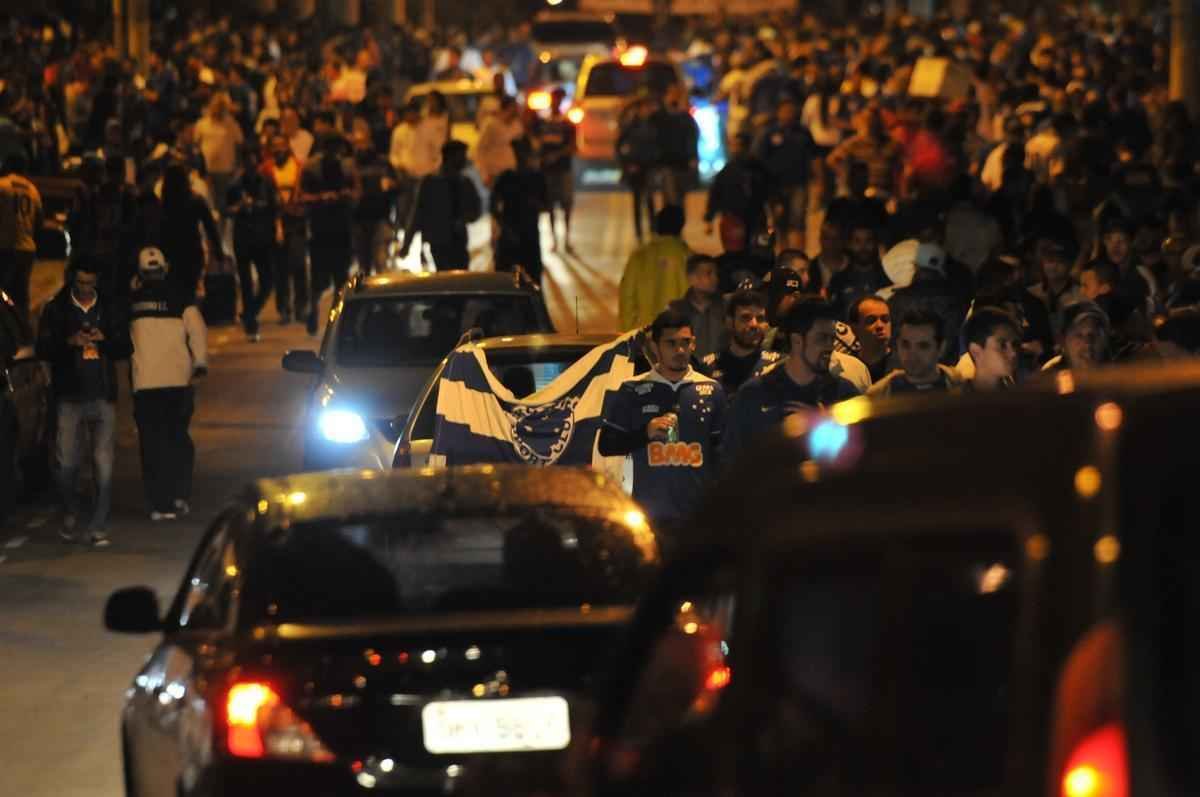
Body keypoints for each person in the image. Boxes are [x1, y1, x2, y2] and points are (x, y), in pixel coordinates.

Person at [598, 310, 725, 535]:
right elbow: (606, 445)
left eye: (685, 342)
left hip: (698, 518)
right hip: (648, 518)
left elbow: (723, 454)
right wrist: (644, 433)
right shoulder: (632, 389)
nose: (680, 350)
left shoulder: (712, 390)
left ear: (694, 344)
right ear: (655, 347)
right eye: (671, 343)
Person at [36, 259, 130, 546]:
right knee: (66, 462)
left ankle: (99, 524)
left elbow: (125, 347)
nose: (86, 288)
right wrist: (69, 342)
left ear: (97, 281)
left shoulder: (109, 307)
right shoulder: (56, 309)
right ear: (72, 281)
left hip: (102, 395)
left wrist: (105, 339)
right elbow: (44, 348)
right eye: (80, 283)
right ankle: (71, 509)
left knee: (103, 462)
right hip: (70, 396)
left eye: (90, 283)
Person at [724, 298, 860, 460]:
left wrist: (826, 426)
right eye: (822, 339)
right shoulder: (753, 395)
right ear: (797, 340)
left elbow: (861, 459)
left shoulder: (845, 394)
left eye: (832, 339)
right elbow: (732, 462)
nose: (829, 347)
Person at [128, 247, 207, 521]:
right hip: (178, 382)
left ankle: (158, 503)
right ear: (165, 269)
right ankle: (179, 495)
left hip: (145, 384)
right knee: (178, 439)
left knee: (151, 444)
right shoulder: (181, 297)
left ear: (140, 273)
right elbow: (197, 330)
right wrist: (200, 362)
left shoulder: (132, 302)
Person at [155, 161, 229, 306]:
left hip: (170, 253)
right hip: (192, 252)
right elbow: (210, 227)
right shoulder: (195, 200)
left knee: (174, 291)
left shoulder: (163, 203)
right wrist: (218, 252)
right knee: (189, 291)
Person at [225, 146, 278, 341]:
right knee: (246, 284)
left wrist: (259, 207)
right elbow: (227, 210)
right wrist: (240, 207)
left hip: (262, 238)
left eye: (253, 163)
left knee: (267, 281)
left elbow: (273, 207)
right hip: (243, 239)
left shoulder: (265, 182)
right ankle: (251, 325)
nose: (250, 167)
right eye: (247, 163)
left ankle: (250, 313)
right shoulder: (235, 185)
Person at [301, 146, 356, 335]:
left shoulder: (344, 170)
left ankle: (331, 319)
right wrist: (322, 198)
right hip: (326, 231)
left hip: (334, 231)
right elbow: (303, 196)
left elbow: (356, 193)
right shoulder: (313, 171)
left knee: (335, 279)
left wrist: (343, 196)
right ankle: (321, 314)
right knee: (327, 279)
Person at [410, 140, 483, 270]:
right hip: (440, 242)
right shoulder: (431, 182)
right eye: (461, 156)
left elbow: (475, 210)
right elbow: (418, 214)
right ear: (449, 157)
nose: (464, 160)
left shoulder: (464, 183)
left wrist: (464, 218)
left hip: (457, 241)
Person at [619, 205, 690, 331]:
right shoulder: (688, 257)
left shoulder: (639, 257)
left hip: (645, 332)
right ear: (681, 226)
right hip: (678, 334)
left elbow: (627, 296)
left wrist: (626, 330)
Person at [264, 134, 308, 325]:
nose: (279, 150)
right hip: (275, 222)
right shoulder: (266, 169)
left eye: (282, 145)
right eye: (275, 146)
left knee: (298, 264)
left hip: (296, 220)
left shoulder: (298, 166)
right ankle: (283, 309)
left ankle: (301, 307)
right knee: (280, 268)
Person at [490, 138, 547, 283]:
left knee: (514, 278)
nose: (519, 155)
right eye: (517, 152)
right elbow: (493, 206)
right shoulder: (508, 177)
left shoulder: (534, 177)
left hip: (524, 234)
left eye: (521, 151)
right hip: (516, 234)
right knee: (507, 279)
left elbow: (546, 204)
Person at [867, 309, 961, 396]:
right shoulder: (877, 395)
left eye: (923, 346)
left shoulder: (962, 389)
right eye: (905, 345)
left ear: (941, 348)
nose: (912, 354)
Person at [704, 131, 770, 249]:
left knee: (760, 250)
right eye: (734, 145)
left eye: (740, 145)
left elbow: (768, 190)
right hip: (733, 218)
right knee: (735, 250)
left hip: (756, 217)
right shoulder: (728, 171)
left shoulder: (758, 168)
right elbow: (716, 194)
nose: (736, 149)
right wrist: (709, 218)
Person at [349, 119, 398, 276]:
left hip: (380, 218)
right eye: (357, 143)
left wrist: (390, 185)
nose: (361, 147)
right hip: (358, 219)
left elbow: (397, 186)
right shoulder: (350, 164)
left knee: (380, 263)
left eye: (363, 142)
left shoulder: (382, 163)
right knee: (363, 267)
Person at [0, 153, 43, 326]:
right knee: (22, 295)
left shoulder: (2, 185)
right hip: (27, 248)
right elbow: (39, 221)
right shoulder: (32, 190)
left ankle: (6, 331)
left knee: (3, 293)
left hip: (5, 246)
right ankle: (24, 330)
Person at [701, 289, 769, 396]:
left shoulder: (778, 367)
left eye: (760, 319)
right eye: (746, 318)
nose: (754, 324)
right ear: (729, 322)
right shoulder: (707, 367)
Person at [193, 92, 243, 225]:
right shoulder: (202, 124)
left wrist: (237, 166)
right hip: (206, 173)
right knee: (208, 205)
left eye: (222, 107)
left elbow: (239, 144)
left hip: (225, 171)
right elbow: (195, 147)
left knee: (223, 206)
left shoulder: (231, 124)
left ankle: (222, 233)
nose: (219, 109)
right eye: (217, 106)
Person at [826, 216, 891, 316]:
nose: (863, 247)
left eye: (868, 241)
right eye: (857, 241)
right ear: (849, 244)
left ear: (875, 243)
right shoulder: (839, 281)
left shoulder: (888, 278)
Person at [617, 96, 660, 242]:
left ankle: (652, 229)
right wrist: (627, 163)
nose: (645, 111)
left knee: (650, 199)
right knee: (637, 199)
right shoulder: (631, 126)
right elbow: (619, 145)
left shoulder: (654, 124)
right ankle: (639, 232)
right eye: (642, 108)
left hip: (649, 165)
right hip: (635, 167)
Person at [538, 88, 577, 253]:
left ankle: (566, 239)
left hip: (563, 168)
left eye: (559, 99)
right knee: (550, 205)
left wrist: (557, 155)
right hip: (548, 171)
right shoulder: (543, 122)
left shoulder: (567, 123)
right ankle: (554, 240)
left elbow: (573, 146)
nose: (556, 102)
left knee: (566, 204)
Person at [668, 255, 725, 361]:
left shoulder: (725, 306)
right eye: (708, 273)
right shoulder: (676, 310)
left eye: (715, 274)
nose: (715, 278)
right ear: (692, 278)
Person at [961, 306, 1021, 391]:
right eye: (1002, 345)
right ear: (976, 351)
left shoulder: (1022, 395)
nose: (1013, 353)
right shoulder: (955, 398)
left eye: (1015, 344)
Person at [1041, 301, 1111, 371]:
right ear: (1062, 341)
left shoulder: (1114, 372)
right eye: (1079, 335)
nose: (1087, 343)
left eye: (1094, 335)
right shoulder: (1050, 375)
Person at [846, 295, 893, 382]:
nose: (880, 325)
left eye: (885, 319)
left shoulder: (902, 363)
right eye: (871, 321)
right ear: (854, 328)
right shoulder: (847, 368)